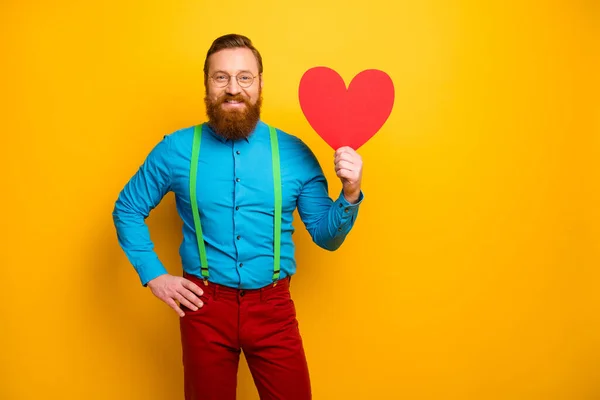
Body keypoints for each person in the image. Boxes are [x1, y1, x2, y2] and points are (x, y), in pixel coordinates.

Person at [112, 33, 364, 400]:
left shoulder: (294, 153)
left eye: (244, 77)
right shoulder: (176, 149)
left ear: (260, 84)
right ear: (207, 85)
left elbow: (327, 236)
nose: (233, 88)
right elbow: (128, 208)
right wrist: (154, 276)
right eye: (221, 77)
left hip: (274, 309)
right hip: (204, 309)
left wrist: (351, 192)